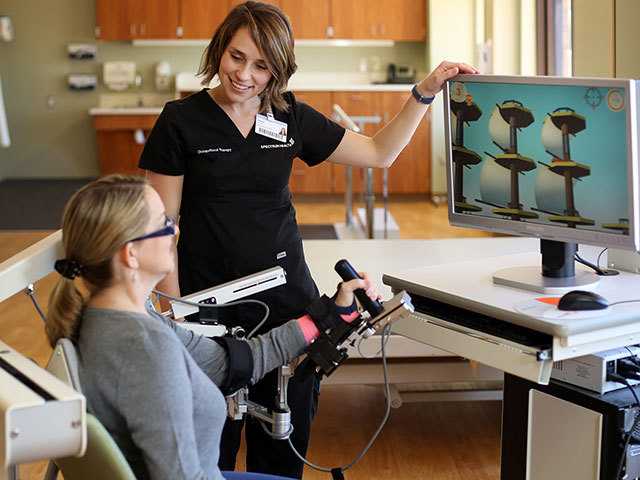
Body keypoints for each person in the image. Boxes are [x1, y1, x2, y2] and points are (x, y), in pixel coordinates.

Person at [139, 1, 477, 477]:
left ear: (278, 70)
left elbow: (380, 152)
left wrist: (422, 94)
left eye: (262, 66)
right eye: (237, 57)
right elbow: (163, 226)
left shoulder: (290, 117)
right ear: (219, 50)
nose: (245, 75)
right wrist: (177, 316)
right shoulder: (180, 121)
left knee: (281, 452)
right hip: (209, 312)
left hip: (287, 309)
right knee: (206, 458)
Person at [45, 174, 379, 480]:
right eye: (163, 224)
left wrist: (328, 316)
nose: (175, 231)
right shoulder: (144, 349)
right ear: (130, 254)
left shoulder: (110, 321)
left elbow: (236, 361)